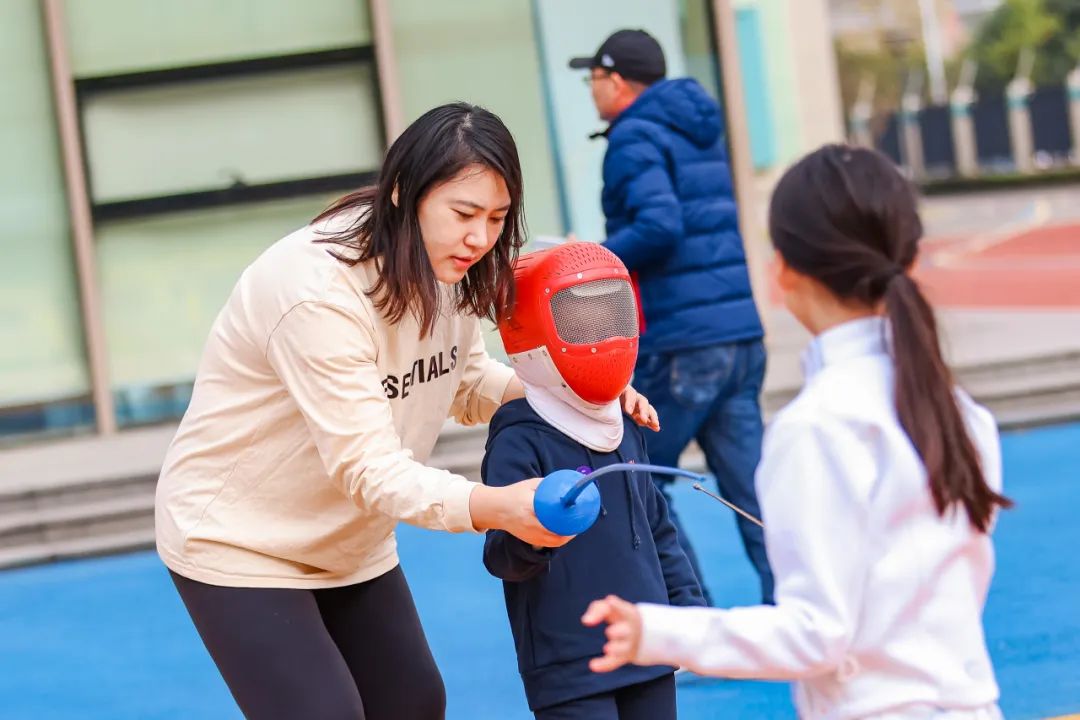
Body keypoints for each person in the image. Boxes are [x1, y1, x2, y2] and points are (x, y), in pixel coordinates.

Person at [154, 102, 657, 720]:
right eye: (464, 213)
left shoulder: (450, 266)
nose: (481, 238)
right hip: (239, 538)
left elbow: (464, 380)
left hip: (349, 538)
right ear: (402, 194)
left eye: (498, 218)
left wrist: (578, 399)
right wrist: (495, 506)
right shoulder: (316, 293)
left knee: (413, 703)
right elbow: (368, 468)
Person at [579, 146, 1013, 720]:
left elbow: (817, 634)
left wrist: (657, 631)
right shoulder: (961, 413)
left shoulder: (817, 426)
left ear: (784, 269)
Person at [569, 29, 773, 604]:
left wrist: (597, 258)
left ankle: (693, 620)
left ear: (616, 81)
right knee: (751, 488)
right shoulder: (695, 128)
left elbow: (660, 225)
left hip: (685, 341)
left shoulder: (635, 135)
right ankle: (798, 612)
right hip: (737, 334)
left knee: (638, 475)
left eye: (593, 79)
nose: (590, 91)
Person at [482, 241, 705, 720]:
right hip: (570, 666)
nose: (601, 338)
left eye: (608, 319)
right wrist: (537, 528)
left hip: (645, 648)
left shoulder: (622, 423)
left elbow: (657, 529)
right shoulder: (519, 440)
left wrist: (687, 608)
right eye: (582, 323)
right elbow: (501, 555)